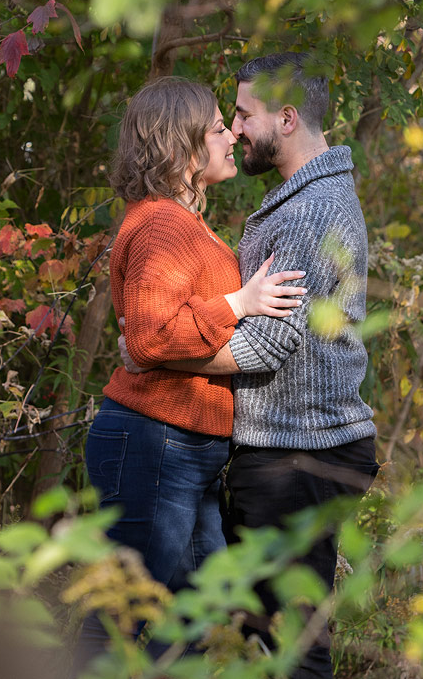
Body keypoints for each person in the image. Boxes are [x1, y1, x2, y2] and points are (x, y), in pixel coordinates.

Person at [120, 53, 380, 679]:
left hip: (300, 455)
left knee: (287, 644)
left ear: (287, 119)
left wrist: (151, 357)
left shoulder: (310, 213)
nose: (234, 129)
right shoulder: (299, 200)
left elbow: (267, 345)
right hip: (290, 450)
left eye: (243, 114)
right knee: (250, 632)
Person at [76, 75, 307, 665]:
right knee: (121, 620)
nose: (232, 136)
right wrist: (240, 303)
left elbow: (148, 334)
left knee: (199, 624)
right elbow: (153, 337)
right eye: (216, 128)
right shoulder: (162, 225)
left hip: (183, 451)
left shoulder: (179, 222)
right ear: (180, 145)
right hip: (153, 444)